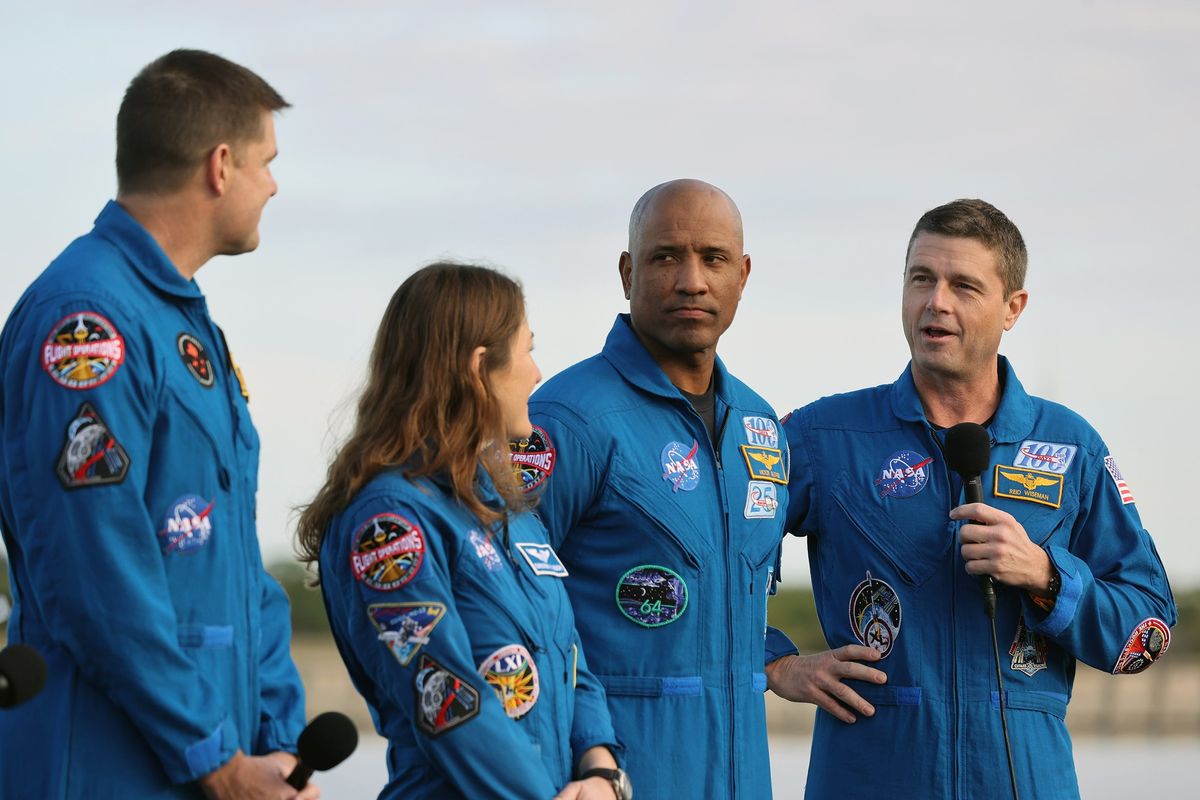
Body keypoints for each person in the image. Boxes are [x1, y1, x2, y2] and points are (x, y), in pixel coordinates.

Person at [782, 198, 1177, 799]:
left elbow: (1146, 632)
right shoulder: (823, 436)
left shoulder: (1070, 446)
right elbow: (715, 557)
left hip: (1024, 776)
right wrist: (777, 665)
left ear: (1013, 307)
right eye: (921, 278)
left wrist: (1047, 577)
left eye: (964, 285)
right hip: (869, 774)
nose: (935, 302)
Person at [0, 50, 314, 799]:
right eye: (266, 163)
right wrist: (210, 756)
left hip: (204, 763)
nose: (273, 184)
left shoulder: (180, 322)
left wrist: (280, 745)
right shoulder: (88, 322)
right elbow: (95, 572)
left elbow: (236, 568)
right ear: (220, 164)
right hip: (109, 766)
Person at [512, 178, 885, 799]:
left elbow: (724, 602)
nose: (691, 280)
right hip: (606, 780)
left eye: (713, 259)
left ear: (742, 274)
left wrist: (775, 663)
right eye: (666, 257)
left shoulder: (761, 429)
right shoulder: (565, 420)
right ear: (627, 271)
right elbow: (502, 607)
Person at [296, 263, 625, 800]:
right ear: (479, 368)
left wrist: (600, 769)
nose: (538, 372)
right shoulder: (390, 523)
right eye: (527, 350)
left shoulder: (508, 508)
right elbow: (447, 698)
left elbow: (568, 657)